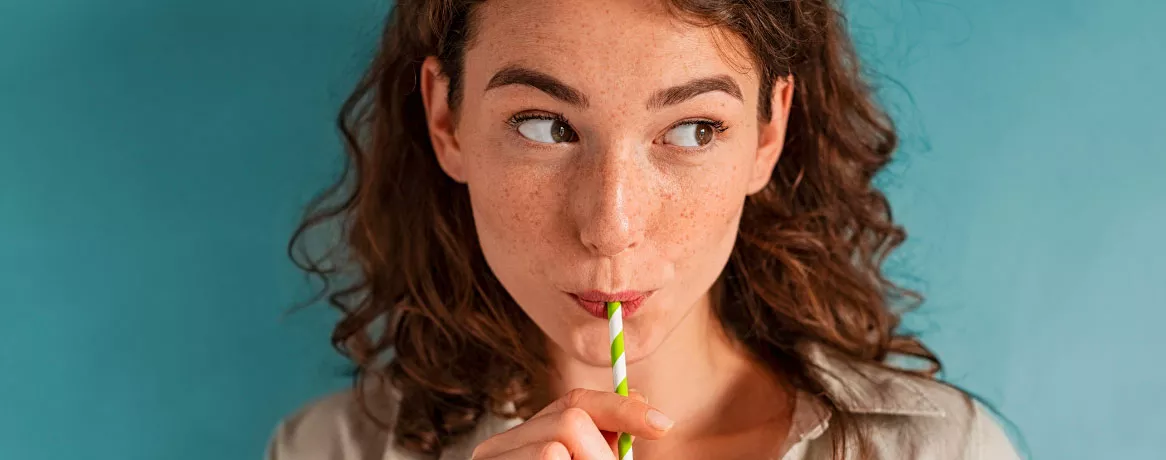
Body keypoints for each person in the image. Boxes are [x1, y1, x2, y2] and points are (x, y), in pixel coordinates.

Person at [268, 0, 1021, 458]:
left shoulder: (940, 453)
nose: (610, 226)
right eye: (543, 125)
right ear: (446, 119)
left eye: (694, 130)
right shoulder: (329, 452)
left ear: (769, 133)